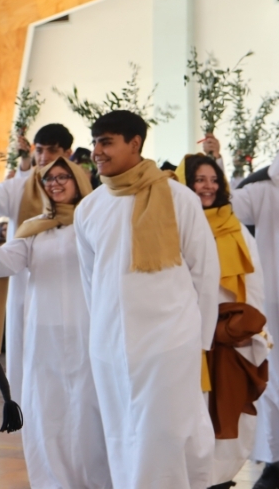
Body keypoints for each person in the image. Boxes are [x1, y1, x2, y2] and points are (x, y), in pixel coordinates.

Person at [73, 110, 219, 488]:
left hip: (170, 341)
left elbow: (204, 271)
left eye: (107, 142)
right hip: (111, 345)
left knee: (166, 434)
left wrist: (198, 341)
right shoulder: (90, 208)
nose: (97, 152)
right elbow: (91, 282)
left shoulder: (177, 198)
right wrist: (102, 334)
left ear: (135, 143)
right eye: (95, 142)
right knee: (122, 434)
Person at [0, 158, 111, 488]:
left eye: (63, 177)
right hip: (45, 338)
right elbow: (3, 262)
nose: (55, 183)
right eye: (49, 179)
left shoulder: (96, 223)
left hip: (88, 333)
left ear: (79, 181)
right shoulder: (34, 228)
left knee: (89, 413)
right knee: (49, 413)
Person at [0, 123, 74, 404]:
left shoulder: (83, 191)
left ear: (68, 153)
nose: (44, 157)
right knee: (27, 354)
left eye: (52, 151)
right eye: (40, 150)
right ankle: (29, 411)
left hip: (72, 289)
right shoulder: (20, 187)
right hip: (25, 284)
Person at [176, 154, 269, 489]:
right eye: (200, 179)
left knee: (229, 409)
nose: (208, 187)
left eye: (213, 179)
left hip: (229, 336)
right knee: (192, 409)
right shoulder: (175, 222)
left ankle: (218, 479)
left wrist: (248, 328)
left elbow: (253, 278)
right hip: (187, 333)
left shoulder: (234, 225)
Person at [229, 154, 279, 489]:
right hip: (274, 302)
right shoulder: (264, 188)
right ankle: (275, 462)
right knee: (273, 380)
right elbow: (224, 205)